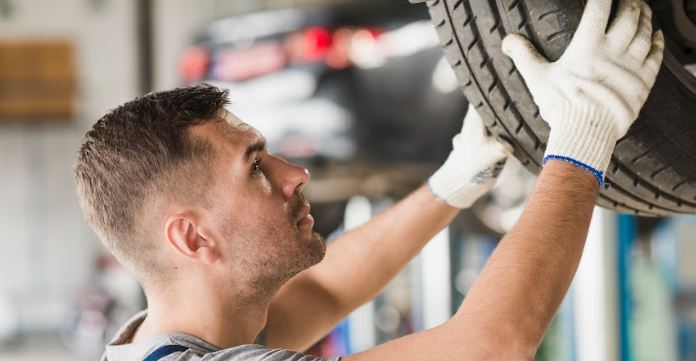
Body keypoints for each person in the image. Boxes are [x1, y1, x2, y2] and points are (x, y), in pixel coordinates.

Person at [74, 0, 663, 358]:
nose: (295, 173)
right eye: (255, 168)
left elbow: (324, 293)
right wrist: (583, 135)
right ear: (193, 239)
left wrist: (452, 184)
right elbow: (490, 348)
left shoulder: (175, 341)